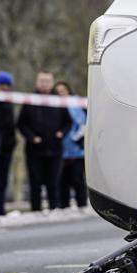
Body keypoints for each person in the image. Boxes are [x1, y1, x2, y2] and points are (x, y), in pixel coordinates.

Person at [17, 71, 71, 211]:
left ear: (51, 83)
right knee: (35, 182)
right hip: (34, 150)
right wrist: (31, 137)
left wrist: (61, 133)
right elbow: (21, 124)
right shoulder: (30, 100)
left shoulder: (58, 100)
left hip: (54, 148)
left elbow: (68, 122)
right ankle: (36, 210)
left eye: (47, 81)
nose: (44, 83)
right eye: (42, 80)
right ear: (37, 82)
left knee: (53, 182)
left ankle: (54, 208)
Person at [54, 81, 87, 210]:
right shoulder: (54, 105)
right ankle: (64, 207)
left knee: (77, 179)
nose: (61, 94)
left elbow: (82, 123)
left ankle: (82, 205)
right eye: (58, 92)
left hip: (76, 150)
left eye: (63, 91)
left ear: (68, 91)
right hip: (60, 150)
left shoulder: (75, 104)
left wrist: (76, 139)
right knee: (62, 181)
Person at [0, 71, 16, 216]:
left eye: (7, 85)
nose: (5, 88)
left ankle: (0, 210)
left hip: (7, 147)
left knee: (2, 182)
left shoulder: (9, 101)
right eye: (2, 85)